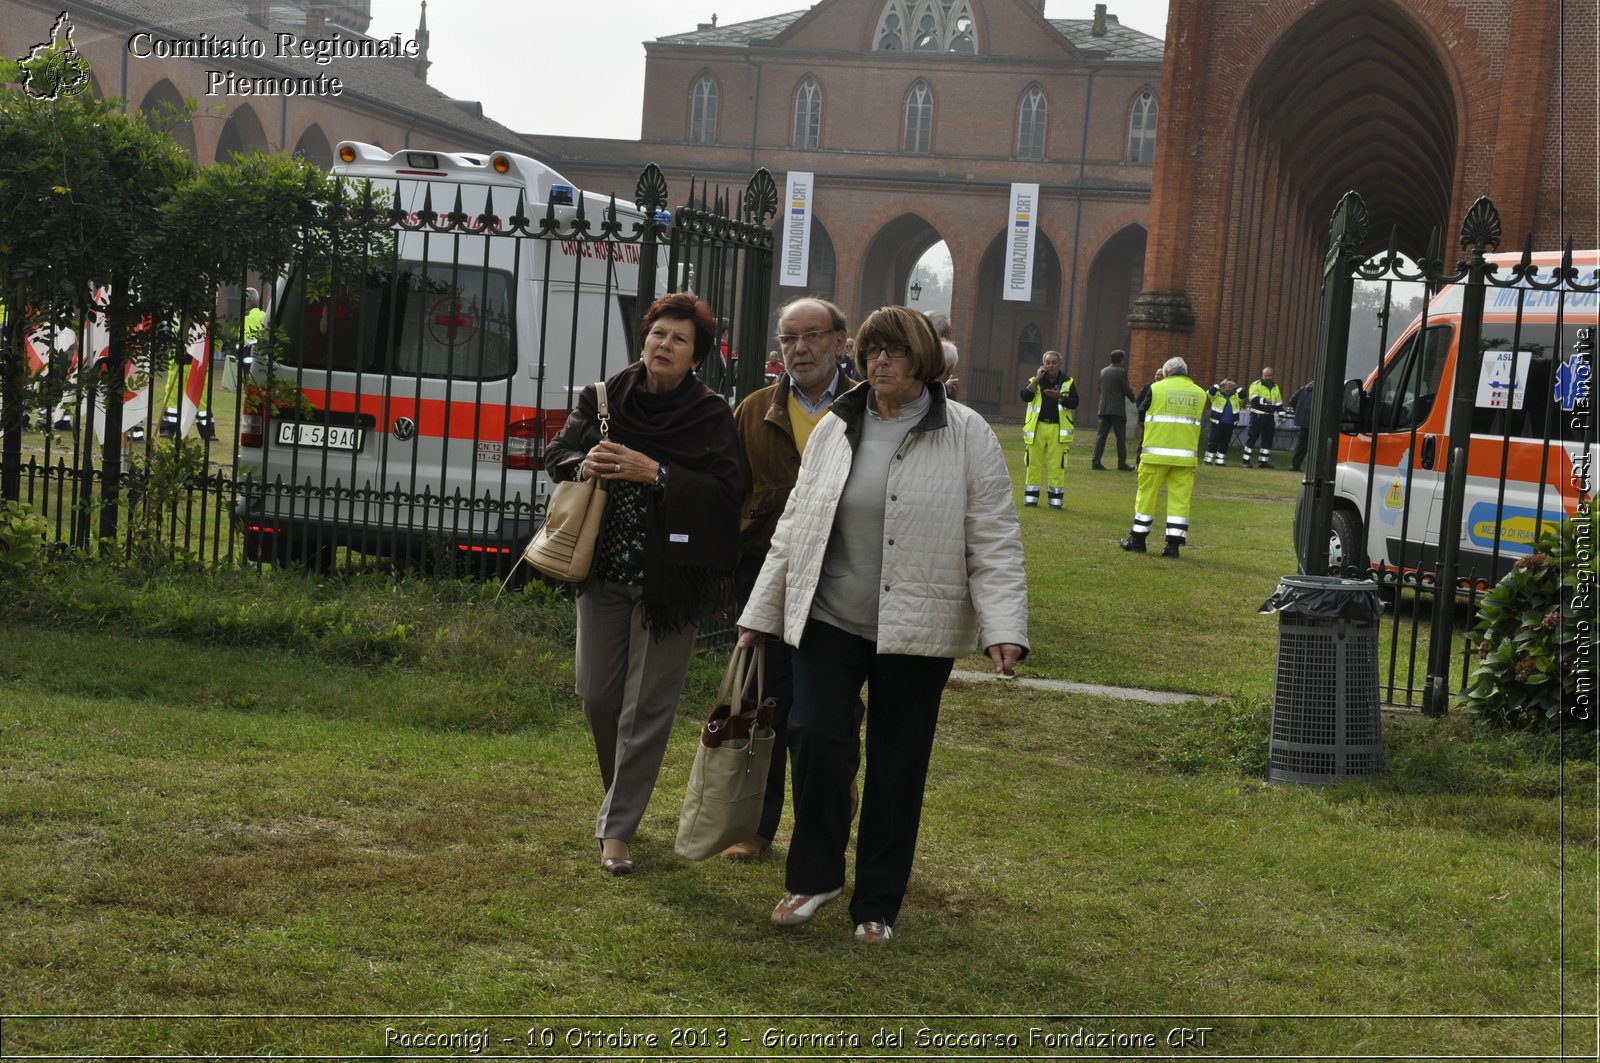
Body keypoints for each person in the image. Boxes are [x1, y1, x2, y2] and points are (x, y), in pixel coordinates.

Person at [737, 305, 1028, 945]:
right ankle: (814, 877)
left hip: (916, 627)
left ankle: (877, 903)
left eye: (893, 352)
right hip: (831, 615)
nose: (880, 363)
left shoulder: (968, 433)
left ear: (921, 358)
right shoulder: (837, 427)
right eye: (870, 353)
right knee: (812, 735)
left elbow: (995, 536)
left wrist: (1003, 626)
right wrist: (759, 614)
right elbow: (794, 529)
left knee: (898, 762)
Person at [544, 292, 743, 877]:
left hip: (670, 581)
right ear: (645, 338)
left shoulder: (709, 415)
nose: (666, 345)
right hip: (602, 569)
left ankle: (618, 830)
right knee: (598, 697)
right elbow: (557, 453)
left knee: (645, 708)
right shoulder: (604, 397)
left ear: (696, 358)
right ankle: (620, 796)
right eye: (659, 333)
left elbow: (726, 493)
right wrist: (586, 465)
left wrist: (655, 472)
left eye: (680, 340)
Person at [724, 296, 859, 863]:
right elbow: (731, 498)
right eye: (788, 339)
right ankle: (758, 826)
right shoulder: (754, 411)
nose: (799, 349)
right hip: (771, 575)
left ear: (840, 341)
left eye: (811, 336)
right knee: (769, 706)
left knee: (830, 714)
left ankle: (827, 810)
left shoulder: (868, 408)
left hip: (845, 579)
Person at [1121, 356, 1206, 558]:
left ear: (1166, 372)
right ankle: (1172, 547)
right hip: (1185, 457)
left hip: (1155, 455)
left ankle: (1138, 540)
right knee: (1180, 501)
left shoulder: (1155, 388)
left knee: (1146, 497)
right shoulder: (1200, 393)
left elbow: (1141, 414)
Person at [1019, 350, 1077, 509]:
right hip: (1037, 428)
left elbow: (1074, 403)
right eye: (1048, 362)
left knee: (1057, 466)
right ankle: (1031, 498)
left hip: (1057, 429)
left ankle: (1055, 501)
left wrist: (1060, 397)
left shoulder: (1067, 382)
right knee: (1033, 464)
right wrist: (1038, 378)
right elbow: (1025, 396)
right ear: (1043, 364)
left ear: (1060, 364)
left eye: (1054, 362)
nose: (1050, 365)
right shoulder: (1034, 381)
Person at [1091, 349, 1138, 471]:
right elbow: (1126, 389)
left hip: (1104, 407)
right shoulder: (1121, 372)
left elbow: (1100, 389)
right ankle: (1122, 463)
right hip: (1117, 409)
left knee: (1101, 436)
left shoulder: (1103, 371)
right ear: (1121, 359)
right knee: (1120, 437)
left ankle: (1096, 461)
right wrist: (1133, 399)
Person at [1242, 366, 1284, 467]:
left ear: (1272, 375)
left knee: (1268, 439)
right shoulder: (1256, 384)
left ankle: (1263, 462)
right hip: (1257, 416)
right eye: (1265, 375)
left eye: (1269, 375)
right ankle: (1246, 461)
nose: (1267, 377)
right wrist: (1265, 400)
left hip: (1270, 417)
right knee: (1252, 438)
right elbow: (1253, 399)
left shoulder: (1275, 387)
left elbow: (1278, 403)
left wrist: (1281, 415)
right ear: (1262, 375)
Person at [1203, 378, 1241, 464]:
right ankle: (1208, 460)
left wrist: (1237, 386)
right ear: (1223, 386)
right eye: (1227, 384)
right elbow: (1210, 392)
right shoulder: (1216, 395)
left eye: (1230, 384)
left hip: (1230, 423)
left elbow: (1243, 395)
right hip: (1217, 422)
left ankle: (1220, 460)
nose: (1229, 386)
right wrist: (1219, 384)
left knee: (1225, 442)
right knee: (1214, 440)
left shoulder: (1235, 396)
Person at [1288, 380, 1315, 471]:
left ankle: (1294, 465)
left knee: (1302, 444)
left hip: (1303, 421)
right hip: (1315, 421)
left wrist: (1298, 411)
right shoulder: (1321, 390)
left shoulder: (1304, 389)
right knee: (1316, 445)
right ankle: (1313, 468)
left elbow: (1292, 400)